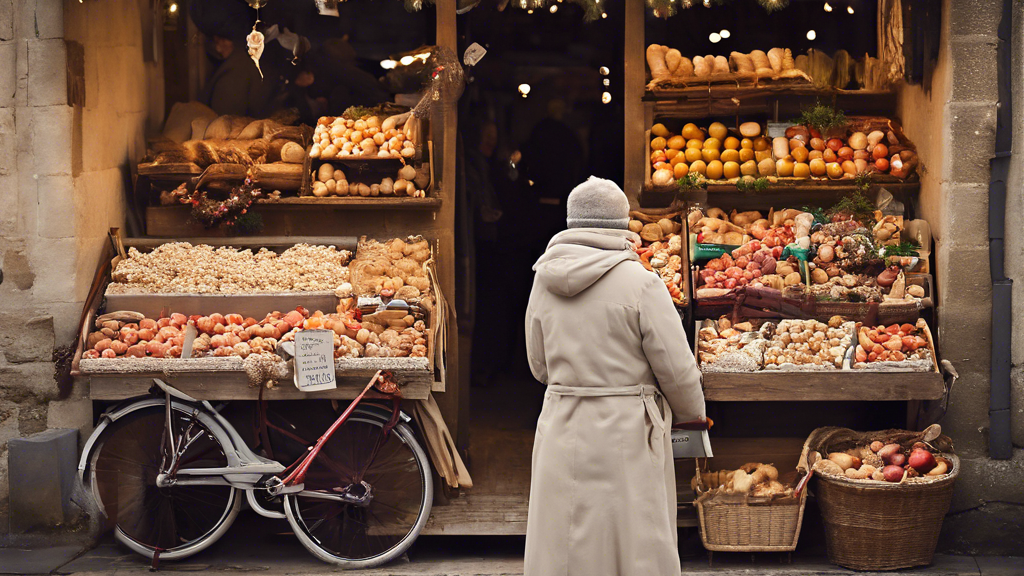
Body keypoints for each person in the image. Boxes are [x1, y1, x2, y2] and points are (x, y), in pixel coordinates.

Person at [523, 176, 706, 576]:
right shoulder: (641, 282)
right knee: (631, 543)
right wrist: (693, 416)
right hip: (628, 431)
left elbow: (538, 366)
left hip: (562, 423)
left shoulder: (543, 279)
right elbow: (677, 369)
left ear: (572, 224)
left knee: (566, 542)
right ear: (623, 225)